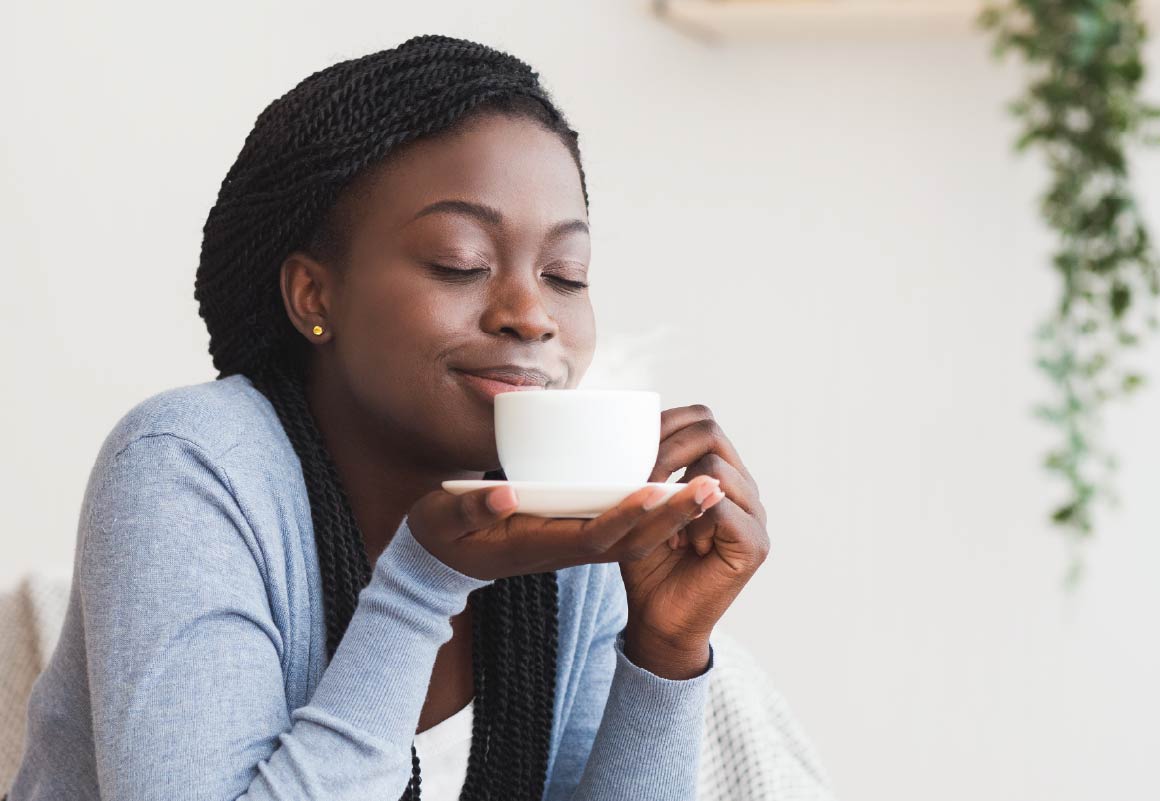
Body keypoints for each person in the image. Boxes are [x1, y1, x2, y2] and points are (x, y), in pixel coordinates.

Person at [7, 34, 771, 801]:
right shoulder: (187, 464)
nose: (532, 314)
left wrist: (665, 651)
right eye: (460, 262)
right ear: (314, 296)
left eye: (565, 274)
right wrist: (421, 583)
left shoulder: (571, 524)